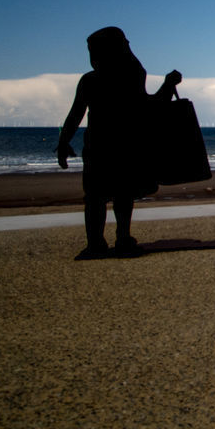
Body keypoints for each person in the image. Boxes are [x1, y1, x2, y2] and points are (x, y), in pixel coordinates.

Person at [56, 27, 181, 259]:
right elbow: (150, 106)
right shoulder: (132, 75)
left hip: (98, 147)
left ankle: (96, 243)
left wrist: (64, 142)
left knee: (95, 197)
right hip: (124, 146)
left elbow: (75, 114)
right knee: (121, 195)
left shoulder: (90, 80)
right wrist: (167, 84)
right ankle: (122, 239)